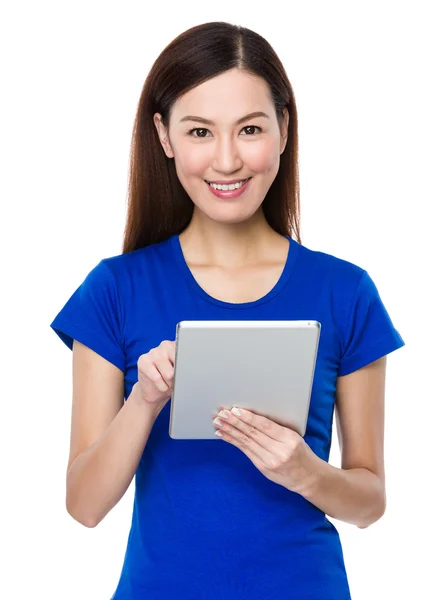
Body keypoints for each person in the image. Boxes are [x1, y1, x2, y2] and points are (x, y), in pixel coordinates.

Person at [50, 21, 405, 600]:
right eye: (199, 131)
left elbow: (370, 503)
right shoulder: (114, 289)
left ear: (284, 130)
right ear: (164, 137)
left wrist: (304, 472)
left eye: (249, 129)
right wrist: (143, 399)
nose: (226, 159)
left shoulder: (346, 291)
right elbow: (84, 507)